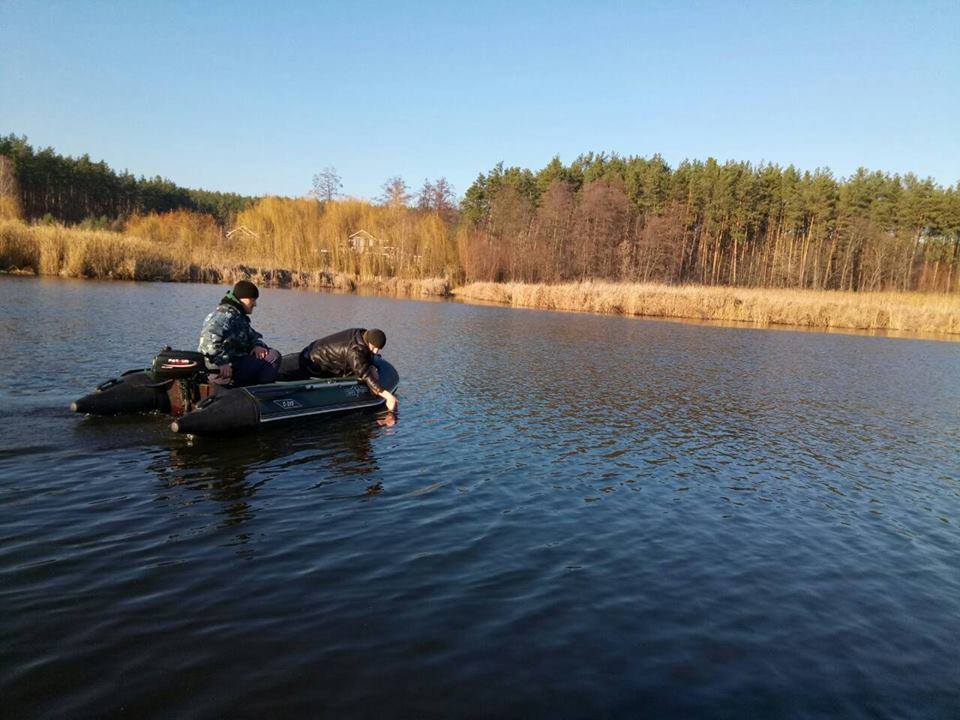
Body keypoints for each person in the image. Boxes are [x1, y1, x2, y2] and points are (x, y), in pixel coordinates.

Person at [281, 328, 398, 412]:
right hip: (315, 363)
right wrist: (388, 396)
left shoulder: (361, 335)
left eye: (379, 349)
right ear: (368, 342)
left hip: (317, 354)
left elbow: (365, 359)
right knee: (284, 373)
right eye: (374, 348)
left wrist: (371, 365)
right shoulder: (355, 350)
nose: (376, 352)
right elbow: (364, 372)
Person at [198, 280, 281, 386]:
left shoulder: (238, 316)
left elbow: (252, 336)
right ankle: (262, 394)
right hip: (221, 370)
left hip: (234, 363)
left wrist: (257, 345)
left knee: (271, 353)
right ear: (243, 299)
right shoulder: (225, 315)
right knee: (274, 357)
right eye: (253, 300)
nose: (255, 304)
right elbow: (207, 339)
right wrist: (222, 363)